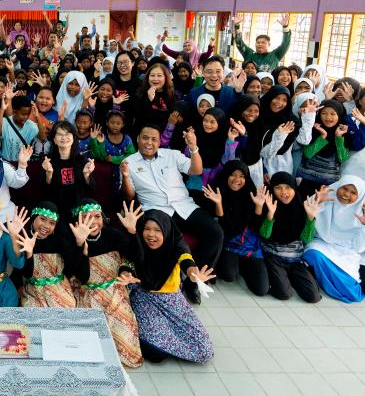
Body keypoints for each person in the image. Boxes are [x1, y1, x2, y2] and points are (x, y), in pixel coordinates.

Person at [122, 124, 223, 304]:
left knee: (215, 232)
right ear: (138, 139)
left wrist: (193, 148)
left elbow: (196, 170)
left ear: (159, 141)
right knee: (172, 239)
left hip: (184, 205)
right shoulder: (129, 162)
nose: (149, 142)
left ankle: (194, 281)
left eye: (154, 139)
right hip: (158, 211)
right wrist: (125, 176)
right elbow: (129, 195)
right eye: (145, 138)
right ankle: (172, 278)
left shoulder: (172, 155)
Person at [118, 208, 215, 364]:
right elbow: (128, 261)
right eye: (147, 229)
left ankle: (164, 341)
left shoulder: (176, 245)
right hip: (145, 296)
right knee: (156, 355)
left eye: (157, 230)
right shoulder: (137, 242)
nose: (151, 235)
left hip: (171, 297)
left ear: (167, 230)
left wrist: (193, 275)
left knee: (204, 350)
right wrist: (126, 274)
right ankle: (158, 342)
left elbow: (187, 261)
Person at [69, 199, 142, 368]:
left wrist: (132, 232)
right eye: (86, 217)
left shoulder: (114, 235)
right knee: (87, 344)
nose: (93, 222)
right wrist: (80, 246)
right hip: (87, 292)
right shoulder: (72, 239)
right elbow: (82, 277)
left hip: (114, 290)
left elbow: (135, 258)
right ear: (78, 221)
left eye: (97, 216)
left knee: (125, 342)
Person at [303, 175, 365, 303]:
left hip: (346, 252)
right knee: (314, 255)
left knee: (352, 292)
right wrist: (317, 201)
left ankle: (318, 278)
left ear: (360, 196)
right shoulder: (325, 199)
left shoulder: (364, 214)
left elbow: (359, 247)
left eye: (353, 193)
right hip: (320, 244)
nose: (346, 194)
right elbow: (307, 229)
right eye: (344, 188)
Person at [203, 161, 269, 296]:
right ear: (226, 175)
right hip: (229, 244)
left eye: (242, 176)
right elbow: (224, 230)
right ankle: (237, 264)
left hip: (250, 247)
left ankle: (244, 265)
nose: (237, 180)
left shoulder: (251, 194)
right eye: (233, 175)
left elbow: (256, 228)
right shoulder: (216, 193)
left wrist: (258, 206)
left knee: (261, 290)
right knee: (229, 275)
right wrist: (219, 204)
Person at [257, 172, 323, 303]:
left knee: (313, 297)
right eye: (278, 187)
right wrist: (271, 214)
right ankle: (281, 278)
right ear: (272, 189)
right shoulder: (268, 204)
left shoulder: (302, 206)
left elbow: (306, 239)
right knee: (284, 294)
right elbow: (265, 235)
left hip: (295, 260)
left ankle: (288, 277)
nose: (284, 192)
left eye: (288, 187)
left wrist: (310, 218)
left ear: (294, 188)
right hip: (273, 257)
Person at [14, 201, 78, 308]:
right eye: (43, 219)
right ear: (34, 218)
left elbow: (71, 267)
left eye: (52, 223)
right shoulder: (24, 239)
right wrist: (29, 253)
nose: (46, 226)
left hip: (58, 288)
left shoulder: (60, 241)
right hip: (33, 290)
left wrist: (79, 245)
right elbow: (25, 274)